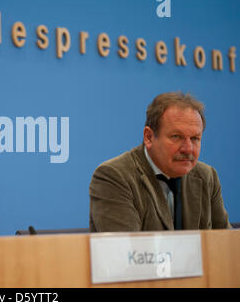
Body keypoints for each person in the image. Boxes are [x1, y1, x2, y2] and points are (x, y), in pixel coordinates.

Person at [89, 91, 231, 232]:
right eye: (176, 136)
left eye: (195, 138)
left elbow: (227, 245)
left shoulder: (207, 176)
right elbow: (126, 251)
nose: (188, 149)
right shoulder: (114, 176)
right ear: (149, 137)